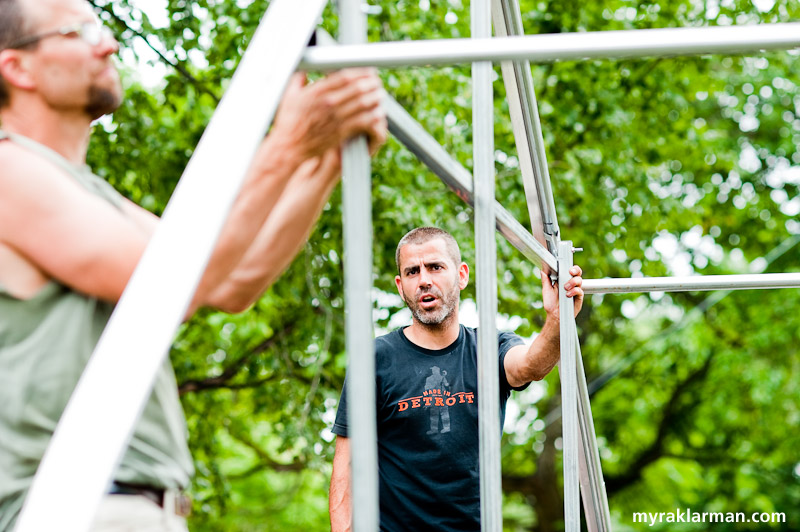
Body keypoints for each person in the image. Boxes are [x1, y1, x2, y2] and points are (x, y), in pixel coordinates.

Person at [0, 0, 387, 529]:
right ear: (16, 67)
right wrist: (287, 144)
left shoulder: (86, 194)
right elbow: (165, 287)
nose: (108, 44)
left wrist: (322, 162)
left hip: (130, 503)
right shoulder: (7, 173)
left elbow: (230, 279)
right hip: (70, 505)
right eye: (80, 31)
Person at [329, 227, 584, 532]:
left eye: (435, 267)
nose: (424, 280)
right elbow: (346, 466)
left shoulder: (490, 347)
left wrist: (557, 318)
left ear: (462, 275)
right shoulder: (374, 359)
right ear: (400, 286)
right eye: (412, 272)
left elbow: (530, 366)